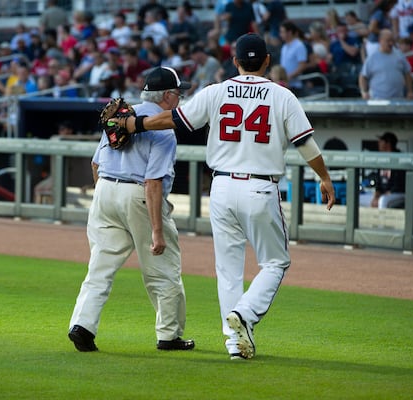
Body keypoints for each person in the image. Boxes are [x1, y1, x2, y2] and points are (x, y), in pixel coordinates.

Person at [113, 34, 335, 360]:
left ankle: (235, 343)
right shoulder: (281, 95)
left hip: (221, 187)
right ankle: (244, 316)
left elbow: (175, 120)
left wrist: (135, 123)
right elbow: (305, 144)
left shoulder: (217, 91)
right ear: (267, 61)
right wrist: (324, 177)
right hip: (260, 187)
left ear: (235, 61)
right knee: (275, 261)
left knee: (228, 270)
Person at [68, 67, 195, 353]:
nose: (180, 97)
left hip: (105, 190)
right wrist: (157, 232)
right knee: (162, 270)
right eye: (178, 92)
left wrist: (106, 194)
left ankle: (82, 325)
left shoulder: (119, 116)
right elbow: (153, 183)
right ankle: (169, 335)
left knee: (99, 268)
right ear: (167, 96)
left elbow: (95, 164)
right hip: (139, 195)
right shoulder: (162, 129)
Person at [359, 29, 413, 99]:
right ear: (380, 41)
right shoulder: (372, 57)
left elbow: (407, 73)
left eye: (392, 40)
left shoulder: (399, 55)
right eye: (388, 41)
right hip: (378, 100)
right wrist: (364, 92)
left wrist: (410, 91)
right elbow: (363, 76)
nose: (391, 43)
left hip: (398, 99)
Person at [368, 132, 407, 209]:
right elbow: (379, 184)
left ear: (388, 143)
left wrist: (380, 197)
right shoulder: (382, 158)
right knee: (360, 198)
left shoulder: (400, 158)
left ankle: (381, 221)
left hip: (399, 193)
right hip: (385, 194)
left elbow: (398, 186)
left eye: (381, 141)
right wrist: (376, 196)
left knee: (382, 201)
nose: (378, 143)